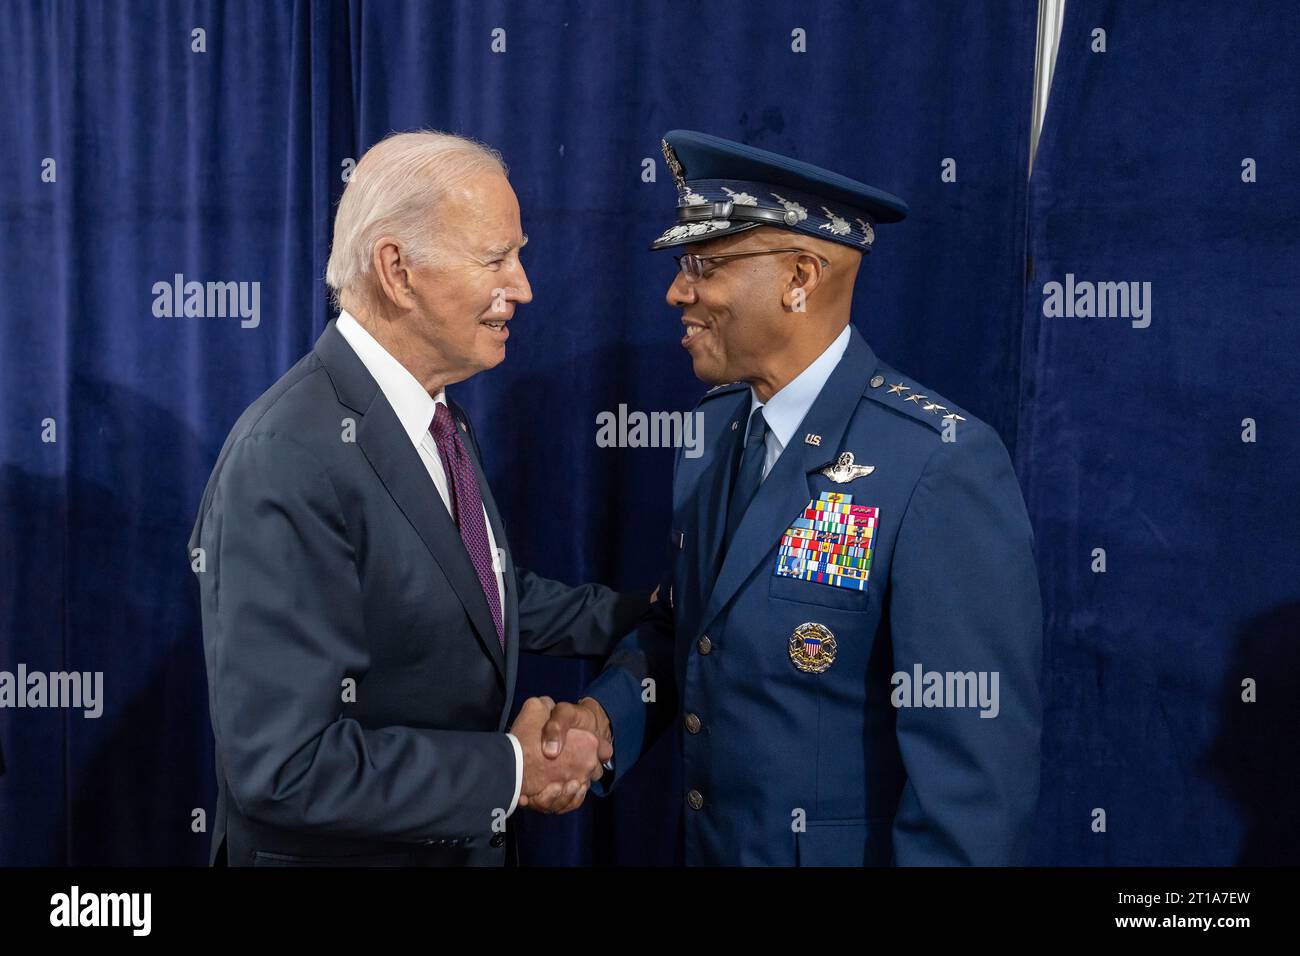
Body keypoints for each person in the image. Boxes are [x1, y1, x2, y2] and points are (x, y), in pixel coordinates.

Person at [542, 130, 1043, 865]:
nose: (677, 291)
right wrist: (600, 719)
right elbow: (690, 636)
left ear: (800, 276)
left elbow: (972, 791)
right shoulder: (711, 435)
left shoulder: (939, 463)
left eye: (704, 265)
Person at [188, 130, 647, 866]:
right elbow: (288, 767)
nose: (523, 286)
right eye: (496, 259)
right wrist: (513, 771)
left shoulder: (433, 415)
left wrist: (647, 612)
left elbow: (468, 593)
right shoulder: (288, 456)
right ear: (398, 271)